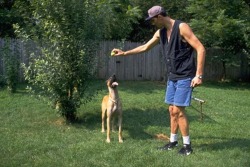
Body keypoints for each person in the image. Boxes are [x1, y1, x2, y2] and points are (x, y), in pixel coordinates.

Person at [112, 5, 206, 156]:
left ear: (160, 17)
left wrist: (199, 75)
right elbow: (145, 47)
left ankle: (187, 146)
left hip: (185, 75)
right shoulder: (160, 33)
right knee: (171, 110)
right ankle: (173, 141)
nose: (152, 23)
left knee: (179, 111)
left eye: (153, 20)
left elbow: (200, 48)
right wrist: (124, 53)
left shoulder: (182, 27)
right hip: (172, 76)